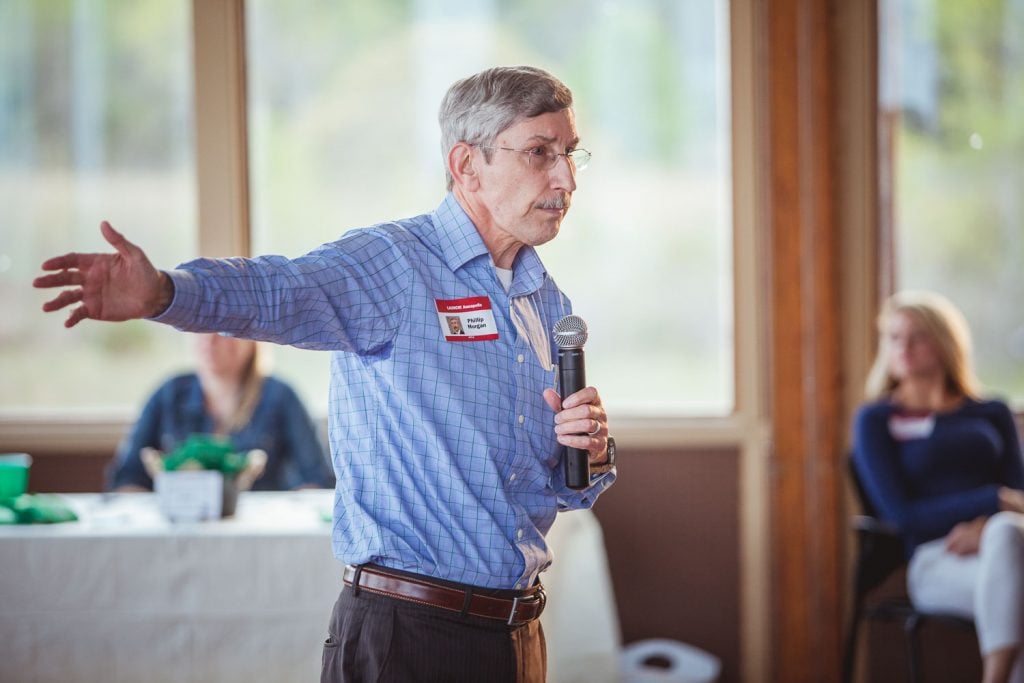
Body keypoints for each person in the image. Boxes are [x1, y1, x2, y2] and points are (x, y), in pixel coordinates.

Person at [34, 65, 616, 682]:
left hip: (518, 635)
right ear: (467, 165)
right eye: (539, 153)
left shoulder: (544, 300)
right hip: (410, 636)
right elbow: (281, 290)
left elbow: (561, 485)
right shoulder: (396, 264)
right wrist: (164, 293)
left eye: (570, 154)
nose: (565, 178)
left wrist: (591, 450)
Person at [852, 290, 1024, 683]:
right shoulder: (876, 420)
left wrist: (986, 525)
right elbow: (901, 514)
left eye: (917, 337)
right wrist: (992, 500)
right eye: (894, 338)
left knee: (1005, 536)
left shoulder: (991, 412)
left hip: (1007, 544)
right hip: (935, 559)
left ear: (945, 343)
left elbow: (1021, 496)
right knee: (1017, 589)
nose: (904, 348)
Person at [108, 332, 333, 492]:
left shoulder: (281, 396)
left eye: (222, 328)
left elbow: (316, 479)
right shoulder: (169, 394)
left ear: (251, 337)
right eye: (199, 327)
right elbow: (127, 476)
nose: (209, 338)